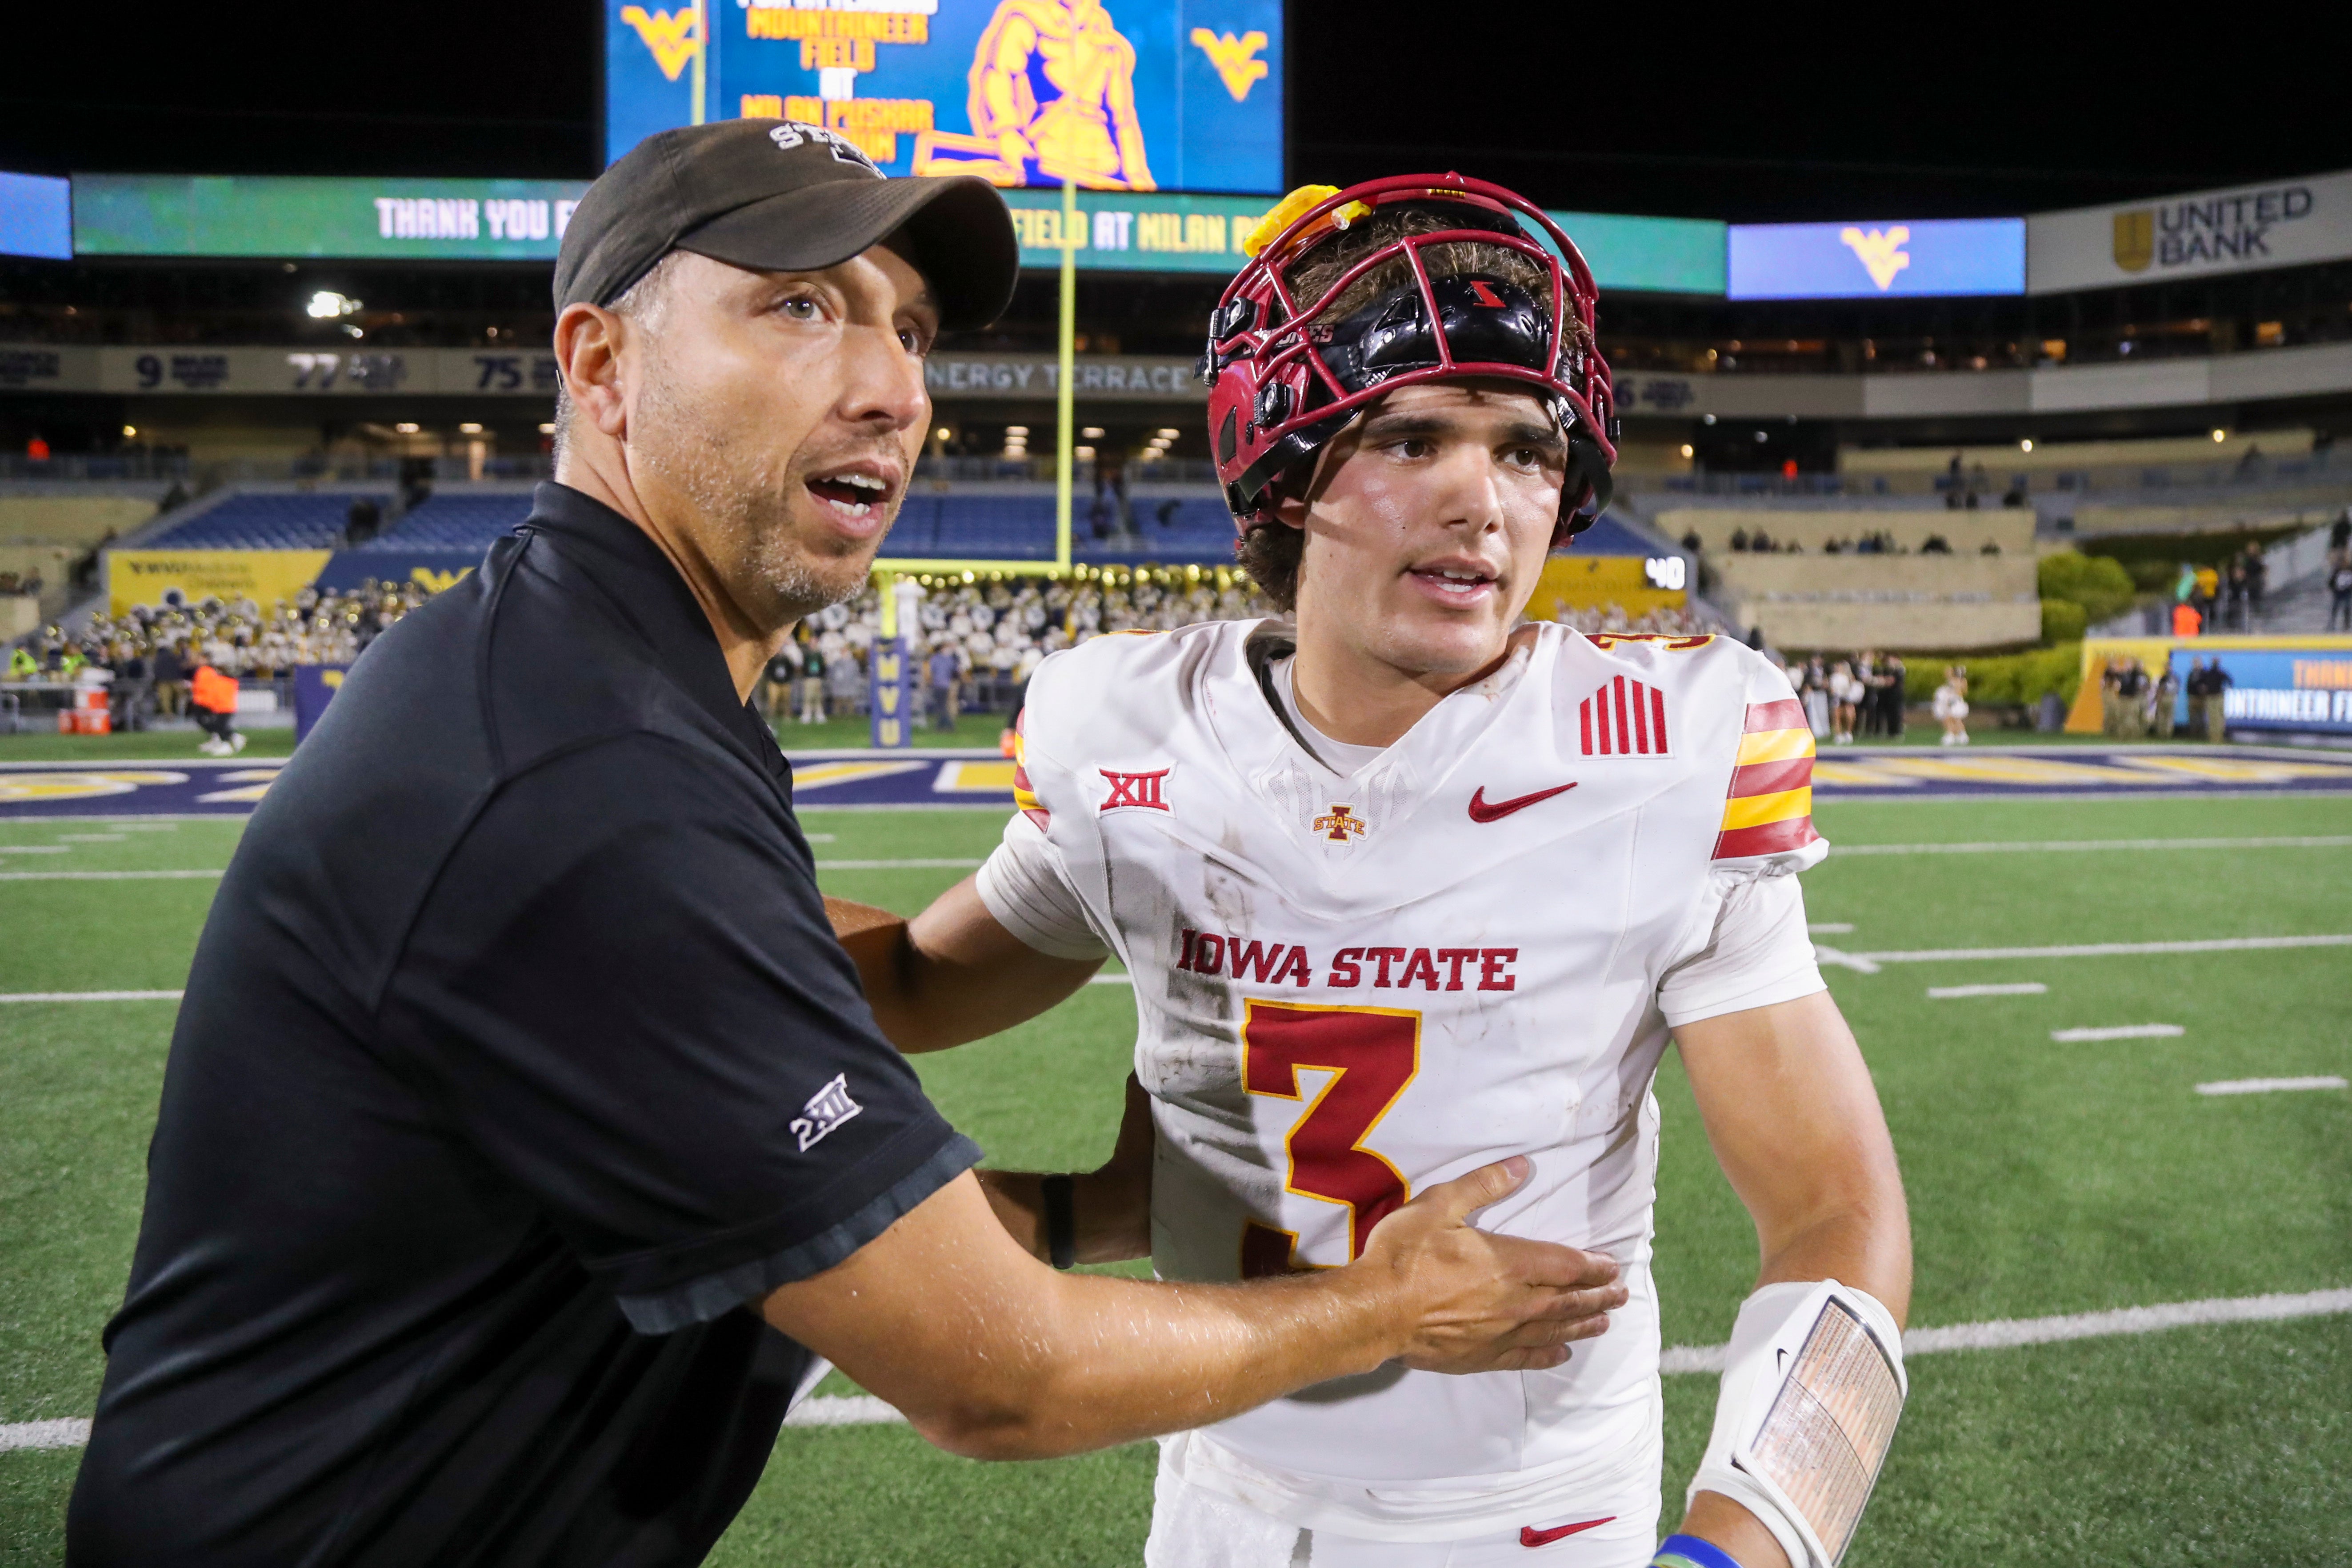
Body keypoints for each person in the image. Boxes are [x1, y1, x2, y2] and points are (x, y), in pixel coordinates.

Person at [67, 124, 1603, 1568]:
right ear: (600, 368)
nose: (892, 386)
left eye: (912, 329)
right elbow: (996, 1373)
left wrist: (1117, 1179)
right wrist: (1382, 1301)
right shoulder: (587, 774)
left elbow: (765, 1071)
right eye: (801, 307)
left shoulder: (591, 662)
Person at [836, 176, 1912, 1568]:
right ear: (1281, 471)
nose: (1483, 501)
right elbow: (918, 987)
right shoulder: (1127, 732)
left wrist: (1743, 1549)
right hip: (1219, 1485)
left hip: (1533, 1515)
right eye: (1411, 437)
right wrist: (661, 904)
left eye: (1528, 449)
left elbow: (1836, 1213)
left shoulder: (1663, 747)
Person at [188, 657, 243, 755]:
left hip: (224, 707)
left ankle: (227, 744)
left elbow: (214, 692)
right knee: (219, 725)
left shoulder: (224, 681)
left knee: (219, 726)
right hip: (223, 707)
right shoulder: (225, 681)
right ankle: (230, 740)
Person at [1932, 664, 1970, 746]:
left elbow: (1961, 692)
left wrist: (1956, 690)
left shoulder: (1960, 681)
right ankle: (1953, 735)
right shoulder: (1951, 681)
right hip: (1951, 702)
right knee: (1949, 719)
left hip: (1957, 702)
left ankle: (1961, 736)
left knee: (1956, 719)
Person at [797, 634, 828, 723]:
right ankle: (807, 714)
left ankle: (819, 714)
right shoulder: (807, 654)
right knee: (808, 697)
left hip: (817, 678)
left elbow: (823, 666)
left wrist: (821, 675)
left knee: (818, 697)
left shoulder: (819, 655)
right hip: (809, 678)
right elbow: (804, 666)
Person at [2329, 556, 2352, 632]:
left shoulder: (2350, 570)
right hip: (2338, 592)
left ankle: (2347, 625)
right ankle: (2332, 623)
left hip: (2347, 592)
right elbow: (2332, 582)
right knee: (2335, 608)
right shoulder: (2337, 571)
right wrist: (2334, 589)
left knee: (2347, 608)